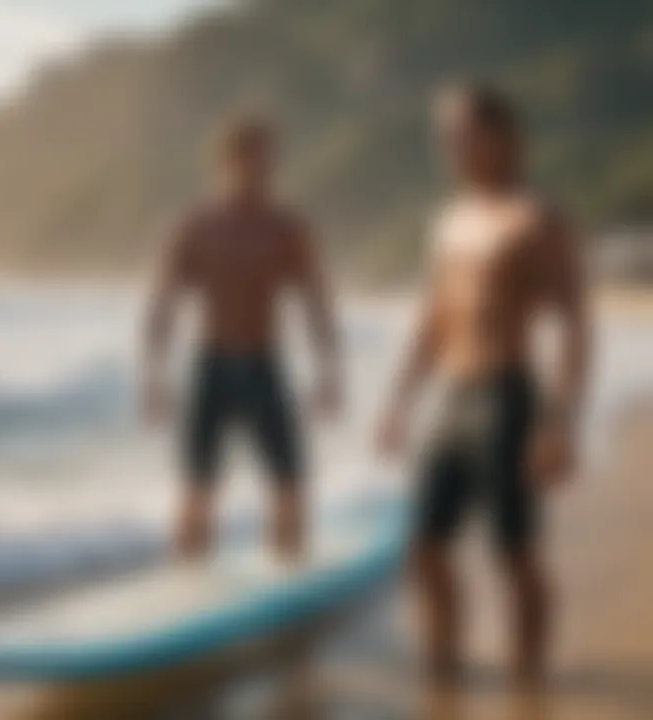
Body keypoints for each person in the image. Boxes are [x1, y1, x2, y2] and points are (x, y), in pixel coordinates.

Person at [376, 85, 590, 685]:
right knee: (424, 545)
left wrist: (559, 422)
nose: (451, 147)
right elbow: (432, 319)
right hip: (449, 395)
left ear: (503, 137)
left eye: (464, 133)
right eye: (445, 136)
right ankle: (441, 668)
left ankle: (528, 676)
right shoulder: (449, 219)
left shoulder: (538, 217)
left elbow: (574, 327)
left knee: (514, 552)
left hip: (508, 395)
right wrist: (398, 401)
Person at [141, 116, 339, 561]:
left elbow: (316, 304)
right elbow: (163, 304)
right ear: (224, 162)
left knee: (289, 484)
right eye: (252, 159)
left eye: (269, 160)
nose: (262, 170)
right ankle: (189, 588)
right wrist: (154, 377)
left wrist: (329, 374)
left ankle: (289, 586)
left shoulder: (288, 227)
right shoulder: (194, 225)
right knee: (197, 488)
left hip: (264, 364)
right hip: (210, 366)